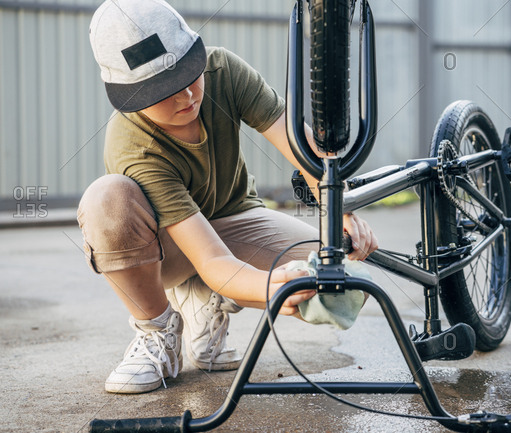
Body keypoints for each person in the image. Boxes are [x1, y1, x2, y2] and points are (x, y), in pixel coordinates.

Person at [79, 0, 378, 394]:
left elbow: (296, 142)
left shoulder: (222, 71)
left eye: (189, 73)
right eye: (164, 90)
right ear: (130, 96)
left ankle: (204, 297)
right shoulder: (133, 145)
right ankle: (158, 329)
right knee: (107, 200)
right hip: (166, 249)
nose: (186, 94)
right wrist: (271, 287)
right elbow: (212, 257)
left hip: (237, 218)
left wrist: (337, 204)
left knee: (340, 283)